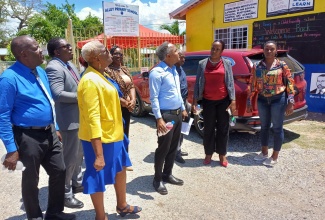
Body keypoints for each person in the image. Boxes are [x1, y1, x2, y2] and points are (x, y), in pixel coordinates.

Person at [0, 35, 75, 220]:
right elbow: (2, 115)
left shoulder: (39, 71)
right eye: (36, 48)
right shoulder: (9, 79)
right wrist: (11, 149)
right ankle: (34, 216)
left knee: (60, 170)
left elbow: (49, 101)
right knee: (31, 179)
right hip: (27, 136)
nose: (41, 50)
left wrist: (55, 126)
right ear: (24, 54)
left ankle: (54, 212)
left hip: (49, 131)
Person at [78, 41, 141, 220]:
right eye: (106, 51)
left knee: (120, 169)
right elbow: (92, 118)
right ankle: (101, 216)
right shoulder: (90, 80)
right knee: (96, 176)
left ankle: (122, 205)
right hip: (100, 140)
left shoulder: (101, 74)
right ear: (97, 58)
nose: (110, 54)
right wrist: (98, 154)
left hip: (115, 135)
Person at [46, 37, 84, 209]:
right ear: (56, 51)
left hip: (79, 119)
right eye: (66, 46)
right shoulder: (54, 67)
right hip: (68, 121)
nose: (71, 48)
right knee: (69, 159)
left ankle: (76, 183)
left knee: (78, 156)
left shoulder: (70, 65)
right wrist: (83, 98)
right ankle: (65, 193)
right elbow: (58, 94)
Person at [247, 40, 295, 166]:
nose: (269, 51)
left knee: (277, 128)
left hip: (278, 100)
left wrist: (290, 102)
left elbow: (290, 83)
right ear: (263, 50)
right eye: (266, 49)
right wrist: (249, 100)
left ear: (275, 51)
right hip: (262, 99)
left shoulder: (282, 65)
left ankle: (275, 156)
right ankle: (264, 152)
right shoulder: (257, 66)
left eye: (271, 49)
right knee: (264, 127)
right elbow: (252, 84)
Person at [149, 41, 188, 195]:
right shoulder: (156, 73)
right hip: (166, 116)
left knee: (173, 147)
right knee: (163, 148)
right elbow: (154, 98)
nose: (179, 52)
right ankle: (157, 179)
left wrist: (183, 109)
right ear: (168, 55)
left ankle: (167, 174)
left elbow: (177, 92)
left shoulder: (173, 70)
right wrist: (159, 119)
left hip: (177, 113)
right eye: (176, 50)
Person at [192, 40, 236, 168]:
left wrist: (233, 100)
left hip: (223, 101)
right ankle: (208, 154)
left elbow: (230, 83)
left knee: (223, 129)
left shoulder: (226, 64)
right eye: (213, 48)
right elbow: (197, 83)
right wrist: (195, 100)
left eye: (217, 49)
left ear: (222, 51)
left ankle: (222, 154)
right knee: (208, 129)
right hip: (208, 101)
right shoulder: (202, 64)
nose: (214, 51)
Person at [106, 46, 136, 171]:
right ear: (110, 55)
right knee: (117, 134)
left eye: (121, 54)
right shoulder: (107, 71)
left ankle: (125, 159)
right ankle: (115, 160)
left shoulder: (124, 69)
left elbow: (132, 86)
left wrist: (133, 100)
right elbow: (109, 90)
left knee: (125, 132)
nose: (119, 56)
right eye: (116, 54)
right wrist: (122, 101)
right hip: (115, 106)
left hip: (127, 105)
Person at [174, 51, 189, 164]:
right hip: (178, 105)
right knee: (177, 130)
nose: (184, 60)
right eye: (182, 58)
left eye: (184, 58)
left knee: (184, 128)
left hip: (184, 102)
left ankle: (179, 148)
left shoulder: (181, 69)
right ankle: (175, 153)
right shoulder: (173, 71)